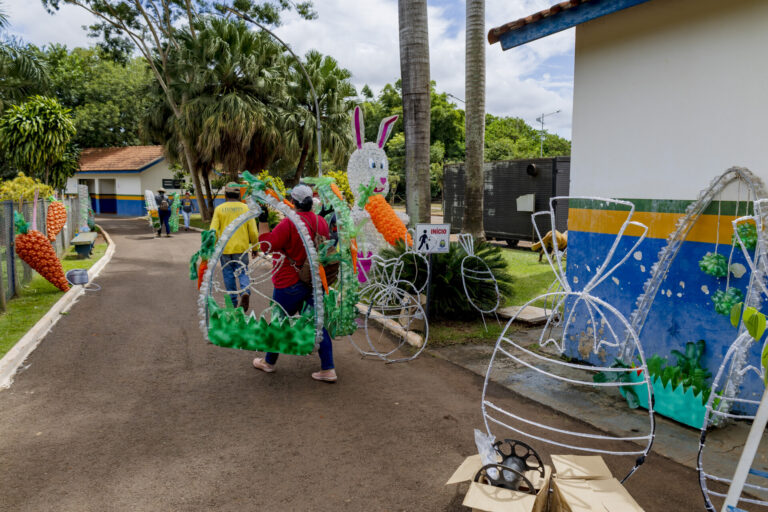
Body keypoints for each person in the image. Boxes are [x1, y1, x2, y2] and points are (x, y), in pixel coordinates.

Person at [252, 184, 337, 383]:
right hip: (314, 282)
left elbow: (266, 246)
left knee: (279, 321)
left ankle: (269, 362)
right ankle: (328, 368)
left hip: (288, 284)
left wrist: (263, 221)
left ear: (295, 202)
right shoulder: (320, 222)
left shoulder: (290, 223)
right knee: (317, 323)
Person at [210, 183, 259, 311]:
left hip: (224, 249)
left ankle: (232, 302)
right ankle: (245, 292)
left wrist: (212, 247)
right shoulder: (246, 208)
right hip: (242, 249)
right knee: (243, 271)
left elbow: (213, 231)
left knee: (228, 275)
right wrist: (255, 248)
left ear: (225, 195)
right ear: (239, 195)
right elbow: (253, 232)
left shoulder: (219, 209)